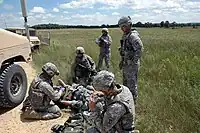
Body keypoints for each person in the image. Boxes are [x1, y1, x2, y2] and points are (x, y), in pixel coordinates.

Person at [118, 16, 144, 103]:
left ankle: (133, 103)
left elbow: (139, 49)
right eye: (121, 27)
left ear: (129, 25)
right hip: (126, 64)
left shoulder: (133, 36)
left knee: (132, 85)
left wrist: (133, 61)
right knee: (125, 84)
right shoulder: (126, 35)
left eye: (124, 26)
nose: (122, 28)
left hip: (131, 65)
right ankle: (127, 101)